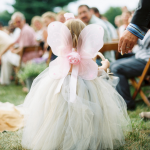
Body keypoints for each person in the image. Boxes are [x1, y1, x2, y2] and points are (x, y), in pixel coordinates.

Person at [21, 13, 131, 150]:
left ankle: (59, 138)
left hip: (59, 86)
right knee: (89, 112)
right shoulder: (85, 54)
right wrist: (105, 66)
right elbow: (93, 71)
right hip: (85, 87)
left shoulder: (61, 51)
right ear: (84, 35)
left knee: (58, 113)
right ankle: (87, 137)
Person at [110, 30, 150, 110]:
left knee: (116, 68)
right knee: (113, 64)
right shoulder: (145, 28)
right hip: (139, 56)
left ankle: (127, 103)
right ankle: (120, 100)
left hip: (146, 61)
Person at [0, 12, 38, 85]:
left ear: (23, 20)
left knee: (6, 56)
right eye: (15, 22)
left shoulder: (25, 30)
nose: (17, 23)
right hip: (26, 57)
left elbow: (23, 50)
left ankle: (5, 81)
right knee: (6, 56)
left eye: (19, 21)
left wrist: (13, 51)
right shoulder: (23, 29)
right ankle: (5, 81)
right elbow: (13, 43)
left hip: (28, 60)